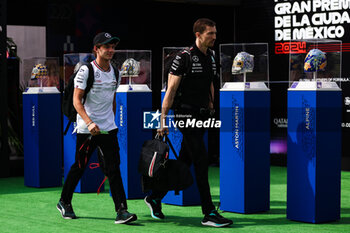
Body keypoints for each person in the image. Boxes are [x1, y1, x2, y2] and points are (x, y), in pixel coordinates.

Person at [144, 18, 233, 228]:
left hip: (202, 117)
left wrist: (211, 106)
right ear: (198, 35)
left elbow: (210, 83)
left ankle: (155, 197)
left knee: (184, 162)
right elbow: (171, 91)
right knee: (201, 162)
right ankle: (209, 213)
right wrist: (162, 121)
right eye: (210, 33)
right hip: (184, 116)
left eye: (215, 33)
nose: (214, 37)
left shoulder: (211, 56)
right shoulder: (183, 57)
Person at [57, 32, 137, 224]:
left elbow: (111, 101)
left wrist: (112, 122)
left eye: (113, 47)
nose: (110, 50)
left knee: (114, 169)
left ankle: (121, 211)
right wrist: (90, 122)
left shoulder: (116, 72)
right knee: (79, 166)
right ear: (96, 49)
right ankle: (64, 201)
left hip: (108, 129)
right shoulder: (86, 70)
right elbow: (77, 100)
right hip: (87, 129)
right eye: (106, 46)